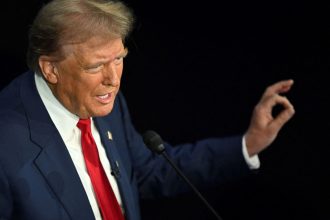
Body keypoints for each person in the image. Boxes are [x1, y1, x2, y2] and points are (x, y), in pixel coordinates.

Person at [0, 0, 295, 219]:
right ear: (50, 68)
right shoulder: (6, 145)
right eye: (96, 66)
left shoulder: (102, 101)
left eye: (118, 59)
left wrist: (249, 143)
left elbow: (146, 172)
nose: (113, 80)